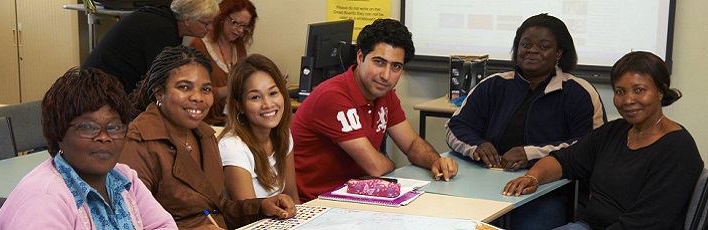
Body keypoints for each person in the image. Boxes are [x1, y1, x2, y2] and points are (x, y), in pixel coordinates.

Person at [503, 51, 704, 230]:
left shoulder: (678, 148)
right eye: (620, 92)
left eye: (639, 90)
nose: (628, 100)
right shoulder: (614, 131)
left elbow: (647, 222)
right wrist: (533, 177)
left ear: (661, 91)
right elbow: (565, 160)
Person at [445, 13, 606, 229]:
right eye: (526, 44)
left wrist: (530, 154)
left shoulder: (578, 92)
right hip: (483, 185)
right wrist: (476, 146)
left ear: (559, 53)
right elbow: (456, 128)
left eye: (544, 46)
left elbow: (589, 147)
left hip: (548, 191)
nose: (532, 50)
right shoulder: (493, 85)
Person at [120, 45, 296, 229]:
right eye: (184, 87)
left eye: (205, 89)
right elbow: (131, 223)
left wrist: (261, 207)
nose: (198, 97)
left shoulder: (204, 134)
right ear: (159, 93)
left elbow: (216, 208)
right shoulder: (138, 143)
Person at [292, 18, 459, 202]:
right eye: (379, 62)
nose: (386, 76)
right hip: (315, 204)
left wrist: (434, 161)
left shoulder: (384, 94)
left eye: (396, 66)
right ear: (360, 57)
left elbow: (411, 144)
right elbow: (375, 167)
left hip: (356, 197)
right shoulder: (333, 96)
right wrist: (393, 164)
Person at [0, 67, 176, 229]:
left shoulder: (124, 179)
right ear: (58, 132)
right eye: (88, 127)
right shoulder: (43, 201)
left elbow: (163, 225)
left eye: (114, 127)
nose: (104, 137)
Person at [82, 0, 220, 94]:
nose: (210, 28)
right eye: (205, 23)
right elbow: (160, 80)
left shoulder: (166, 22)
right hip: (99, 90)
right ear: (187, 20)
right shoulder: (161, 29)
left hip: (104, 84)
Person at [217, 54, 300, 203]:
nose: (268, 104)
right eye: (255, 97)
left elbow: (292, 198)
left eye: (273, 93)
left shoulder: (283, 136)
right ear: (239, 105)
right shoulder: (232, 146)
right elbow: (249, 216)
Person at [189, 0, 258, 125]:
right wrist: (223, 91)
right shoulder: (199, 45)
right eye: (236, 23)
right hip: (206, 121)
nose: (240, 30)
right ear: (221, 17)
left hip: (233, 120)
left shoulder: (238, 46)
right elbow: (192, 92)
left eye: (244, 26)